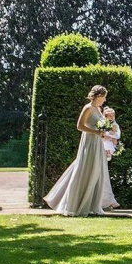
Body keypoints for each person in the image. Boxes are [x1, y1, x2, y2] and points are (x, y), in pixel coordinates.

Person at [44, 85, 114, 216]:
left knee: (96, 171)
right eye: (104, 97)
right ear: (98, 96)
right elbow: (79, 126)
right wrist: (95, 132)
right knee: (85, 169)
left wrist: (105, 129)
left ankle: (93, 205)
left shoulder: (99, 109)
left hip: (98, 143)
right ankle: (75, 204)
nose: (105, 100)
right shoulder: (88, 108)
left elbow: (101, 125)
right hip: (89, 142)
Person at [100, 106, 121, 211]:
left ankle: (109, 153)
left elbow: (117, 135)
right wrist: (107, 136)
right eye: (109, 116)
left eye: (113, 116)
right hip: (103, 145)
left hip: (109, 142)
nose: (111, 117)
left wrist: (113, 136)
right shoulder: (103, 124)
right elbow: (102, 134)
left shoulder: (115, 124)